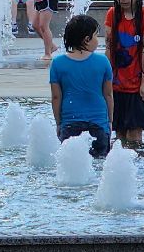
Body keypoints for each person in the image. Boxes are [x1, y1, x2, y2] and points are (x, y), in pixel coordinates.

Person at [49, 13, 114, 158]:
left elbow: (56, 97)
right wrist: (109, 121)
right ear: (87, 39)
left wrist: (59, 123)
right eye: (96, 36)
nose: (98, 40)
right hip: (99, 124)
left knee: (72, 166)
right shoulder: (103, 62)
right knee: (100, 166)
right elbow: (108, 95)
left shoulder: (58, 63)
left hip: (70, 124)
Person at [104, 0, 144, 151]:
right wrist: (106, 80)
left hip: (136, 87)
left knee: (134, 137)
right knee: (118, 135)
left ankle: (138, 174)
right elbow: (109, 48)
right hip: (116, 85)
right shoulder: (112, 14)